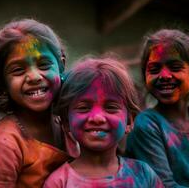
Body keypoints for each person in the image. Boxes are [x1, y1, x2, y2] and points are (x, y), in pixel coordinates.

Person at [44, 56, 164, 187]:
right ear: (66, 122)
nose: (97, 118)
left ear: (129, 121)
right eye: (83, 108)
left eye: (111, 107)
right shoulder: (59, 182)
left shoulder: (143, 175)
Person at [0, 19, 73, 188]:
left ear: (61, 65)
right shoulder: (4, 143)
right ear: (2, 82)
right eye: (18, 70)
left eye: (44, 65)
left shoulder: (68, 124)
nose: (34, 76)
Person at [126, 29, 189, 187]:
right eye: (154, 69)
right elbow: (164, 185)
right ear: (145, 78)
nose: (164, 75)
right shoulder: (147, 125)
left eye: (175, 67)